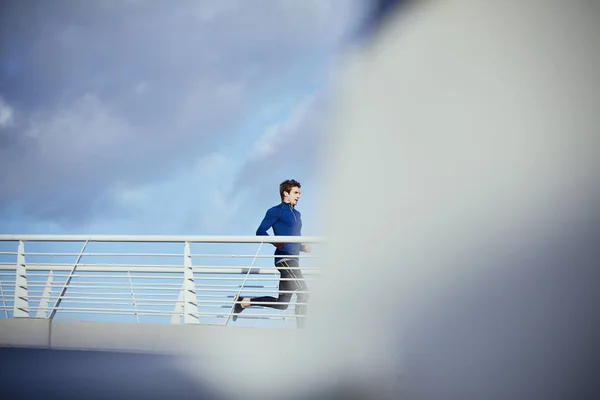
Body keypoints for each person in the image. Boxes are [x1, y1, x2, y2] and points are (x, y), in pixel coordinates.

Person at [232, 179, 311, 328]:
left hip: (294, 259)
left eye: (299, 193)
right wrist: (274, 241)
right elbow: (260, 231)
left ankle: (243, 302)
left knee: (282, 304)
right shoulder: (276, 211)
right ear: (285, 193)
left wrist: (302, 247)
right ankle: (303, 333)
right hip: (284, 259)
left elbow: (292, 237)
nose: (299, 196)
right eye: (295, 192)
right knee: (304, 292)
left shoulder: (298, 214)